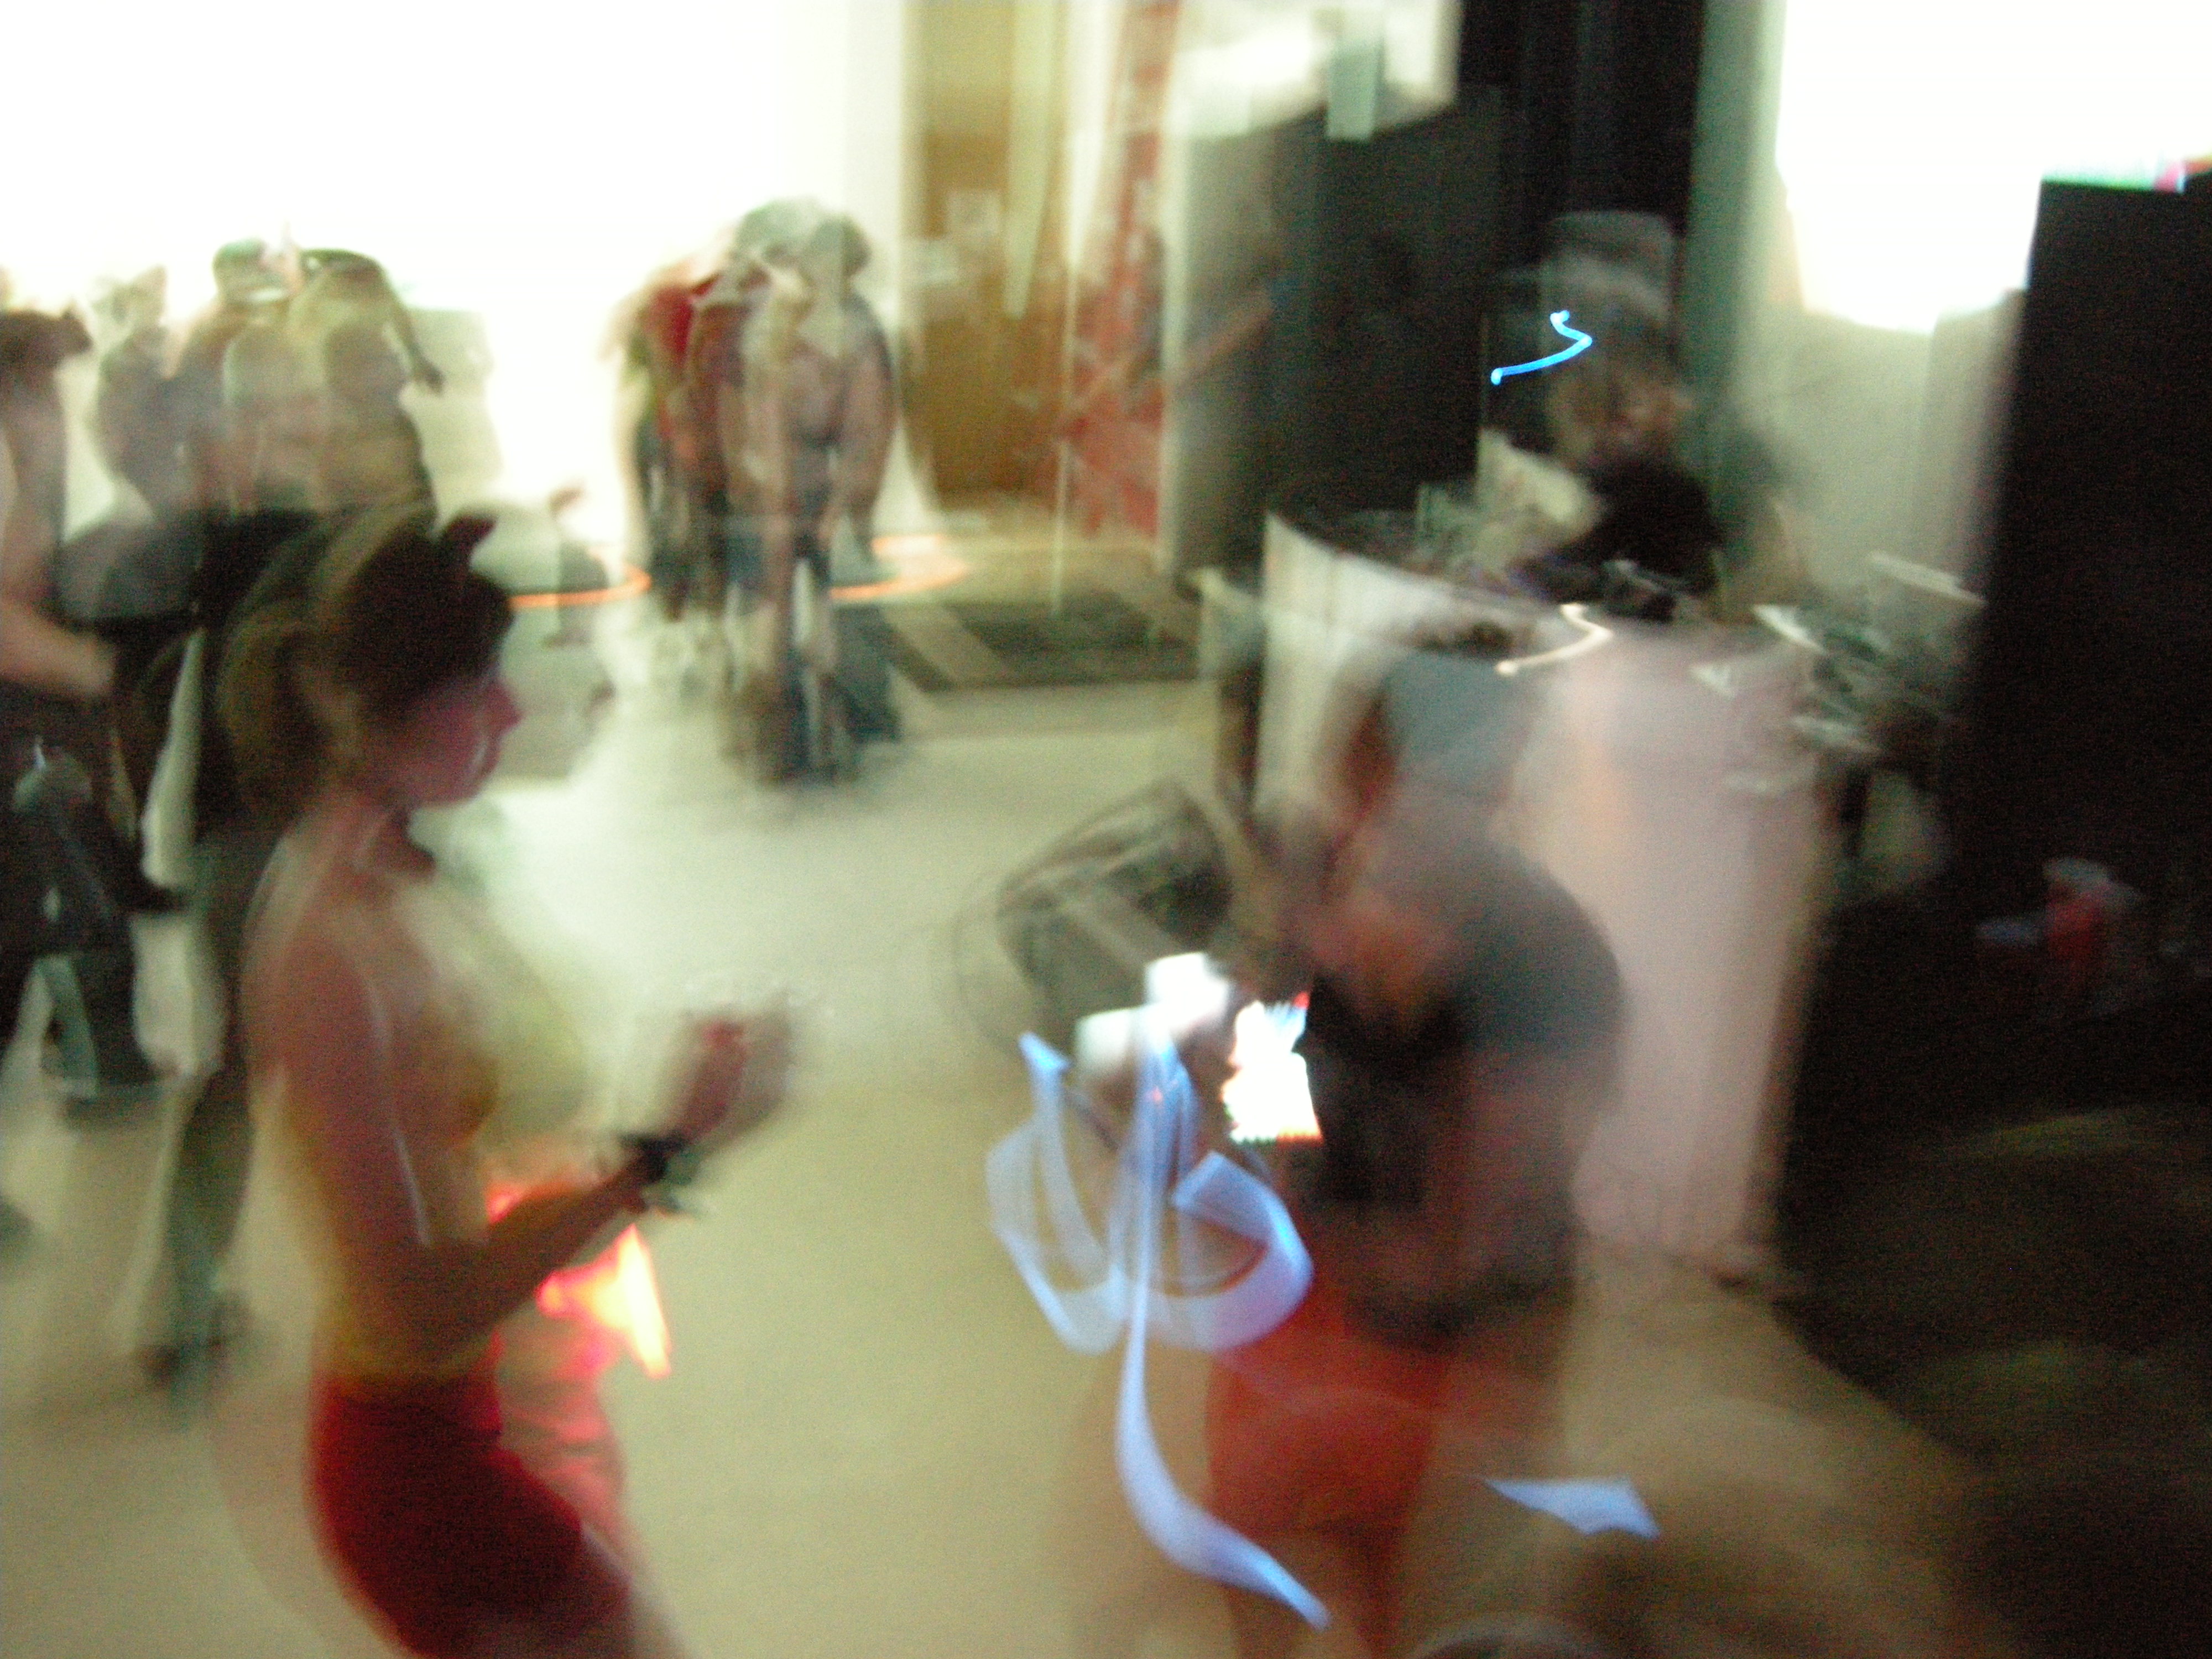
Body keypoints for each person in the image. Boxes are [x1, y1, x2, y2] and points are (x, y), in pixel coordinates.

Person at [229, 507, 786, 1657]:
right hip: (418, 1469)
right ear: (369, 709)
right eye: (473, 684)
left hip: (470, 1421)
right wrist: (661, 1152)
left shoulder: (395, 873)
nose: (509, 710)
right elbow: (413, 1308)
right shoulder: (332, 953)